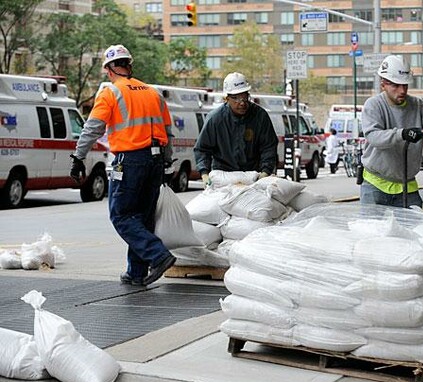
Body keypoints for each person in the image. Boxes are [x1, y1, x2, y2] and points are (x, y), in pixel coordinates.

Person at [69, 44, 176, 286]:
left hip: (130, 160)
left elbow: (93, 128)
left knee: (121, 215)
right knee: (142, 217)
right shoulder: (153, 93)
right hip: (156, 160)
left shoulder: (111, 92)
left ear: (109, 69)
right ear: (129, 65)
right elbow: (168, 132)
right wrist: (167, 164)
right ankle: (136, 273)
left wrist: (78, 157)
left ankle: (158, 255)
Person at [360, 55, 423, 208]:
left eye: (405, 85)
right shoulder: (373, 105)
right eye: (396, 85)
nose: (402, 90)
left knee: (414, 230)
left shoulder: (419, 107)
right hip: (376, 184)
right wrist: (402, 134)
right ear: (383, 84)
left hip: (407, 184)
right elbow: (373, 137)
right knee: (372, 230)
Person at [193, 72, 278, 185]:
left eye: (244, 97)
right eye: (236, 98)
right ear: (227, 98)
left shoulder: (260, 116)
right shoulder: (215, 119)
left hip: (253, 176)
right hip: (224, 176)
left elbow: (268, 147)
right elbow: (202, 149)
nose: (242, 103)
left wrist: (265, 172)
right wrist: (204, 174)